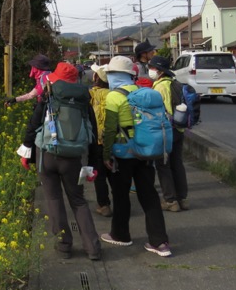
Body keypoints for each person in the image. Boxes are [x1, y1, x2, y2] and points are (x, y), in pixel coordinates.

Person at [100, 55, 172, 257]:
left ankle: (121, 235)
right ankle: (160, 242)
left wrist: (106, 155)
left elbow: (109, 129)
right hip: (145, 152)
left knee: (121, 195)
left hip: (123, 153)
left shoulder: (113, 96)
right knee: (149, 195)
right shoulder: (142, 91)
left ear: (114, 75)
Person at [36, 62, 102, 261]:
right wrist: (93, 164)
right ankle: (93, 248)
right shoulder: (83, 102)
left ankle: (64, 245)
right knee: (78, 201)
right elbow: (94, 135)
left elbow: (33, 127)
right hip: (73, 159)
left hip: (48, 155)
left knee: (54, 200)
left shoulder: (48, 97)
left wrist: (27, 153)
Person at [148, 55, 189, 212]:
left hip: (166, 130)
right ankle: (183, 199)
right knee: (177, 163)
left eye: (152, 68)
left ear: (158, 71)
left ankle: (170, 201)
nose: (150, 70)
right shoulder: (175, 83)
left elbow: (162, 112)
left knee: (163, 165)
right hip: (179, 129)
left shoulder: (160, 87)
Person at [89, 63, 112, 217]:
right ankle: (120, 200)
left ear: (96, 77)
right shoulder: (113, 93)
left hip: (96, 139)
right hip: (112, 138)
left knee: (99, 175)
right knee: (114, 172)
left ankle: (104, 205)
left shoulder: (90, 94)